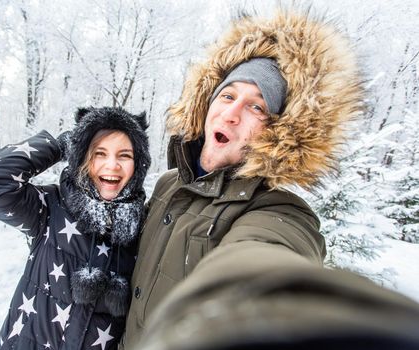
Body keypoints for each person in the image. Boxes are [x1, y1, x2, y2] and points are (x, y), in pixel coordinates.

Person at [121, 8, 419, 350]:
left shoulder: (279, 211)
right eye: (228, 96)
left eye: (257, 107)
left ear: (277, 133)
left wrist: (277, 310)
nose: (232, 114)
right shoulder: (167, 184)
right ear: (206, 104)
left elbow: (261, 260)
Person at [0, 107, 151, 349]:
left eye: (124, 155)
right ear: (81, 157)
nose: (112, 165)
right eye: (99, 153)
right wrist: (59, 146)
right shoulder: (50, 207)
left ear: (138, 165)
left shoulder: (145, 228)